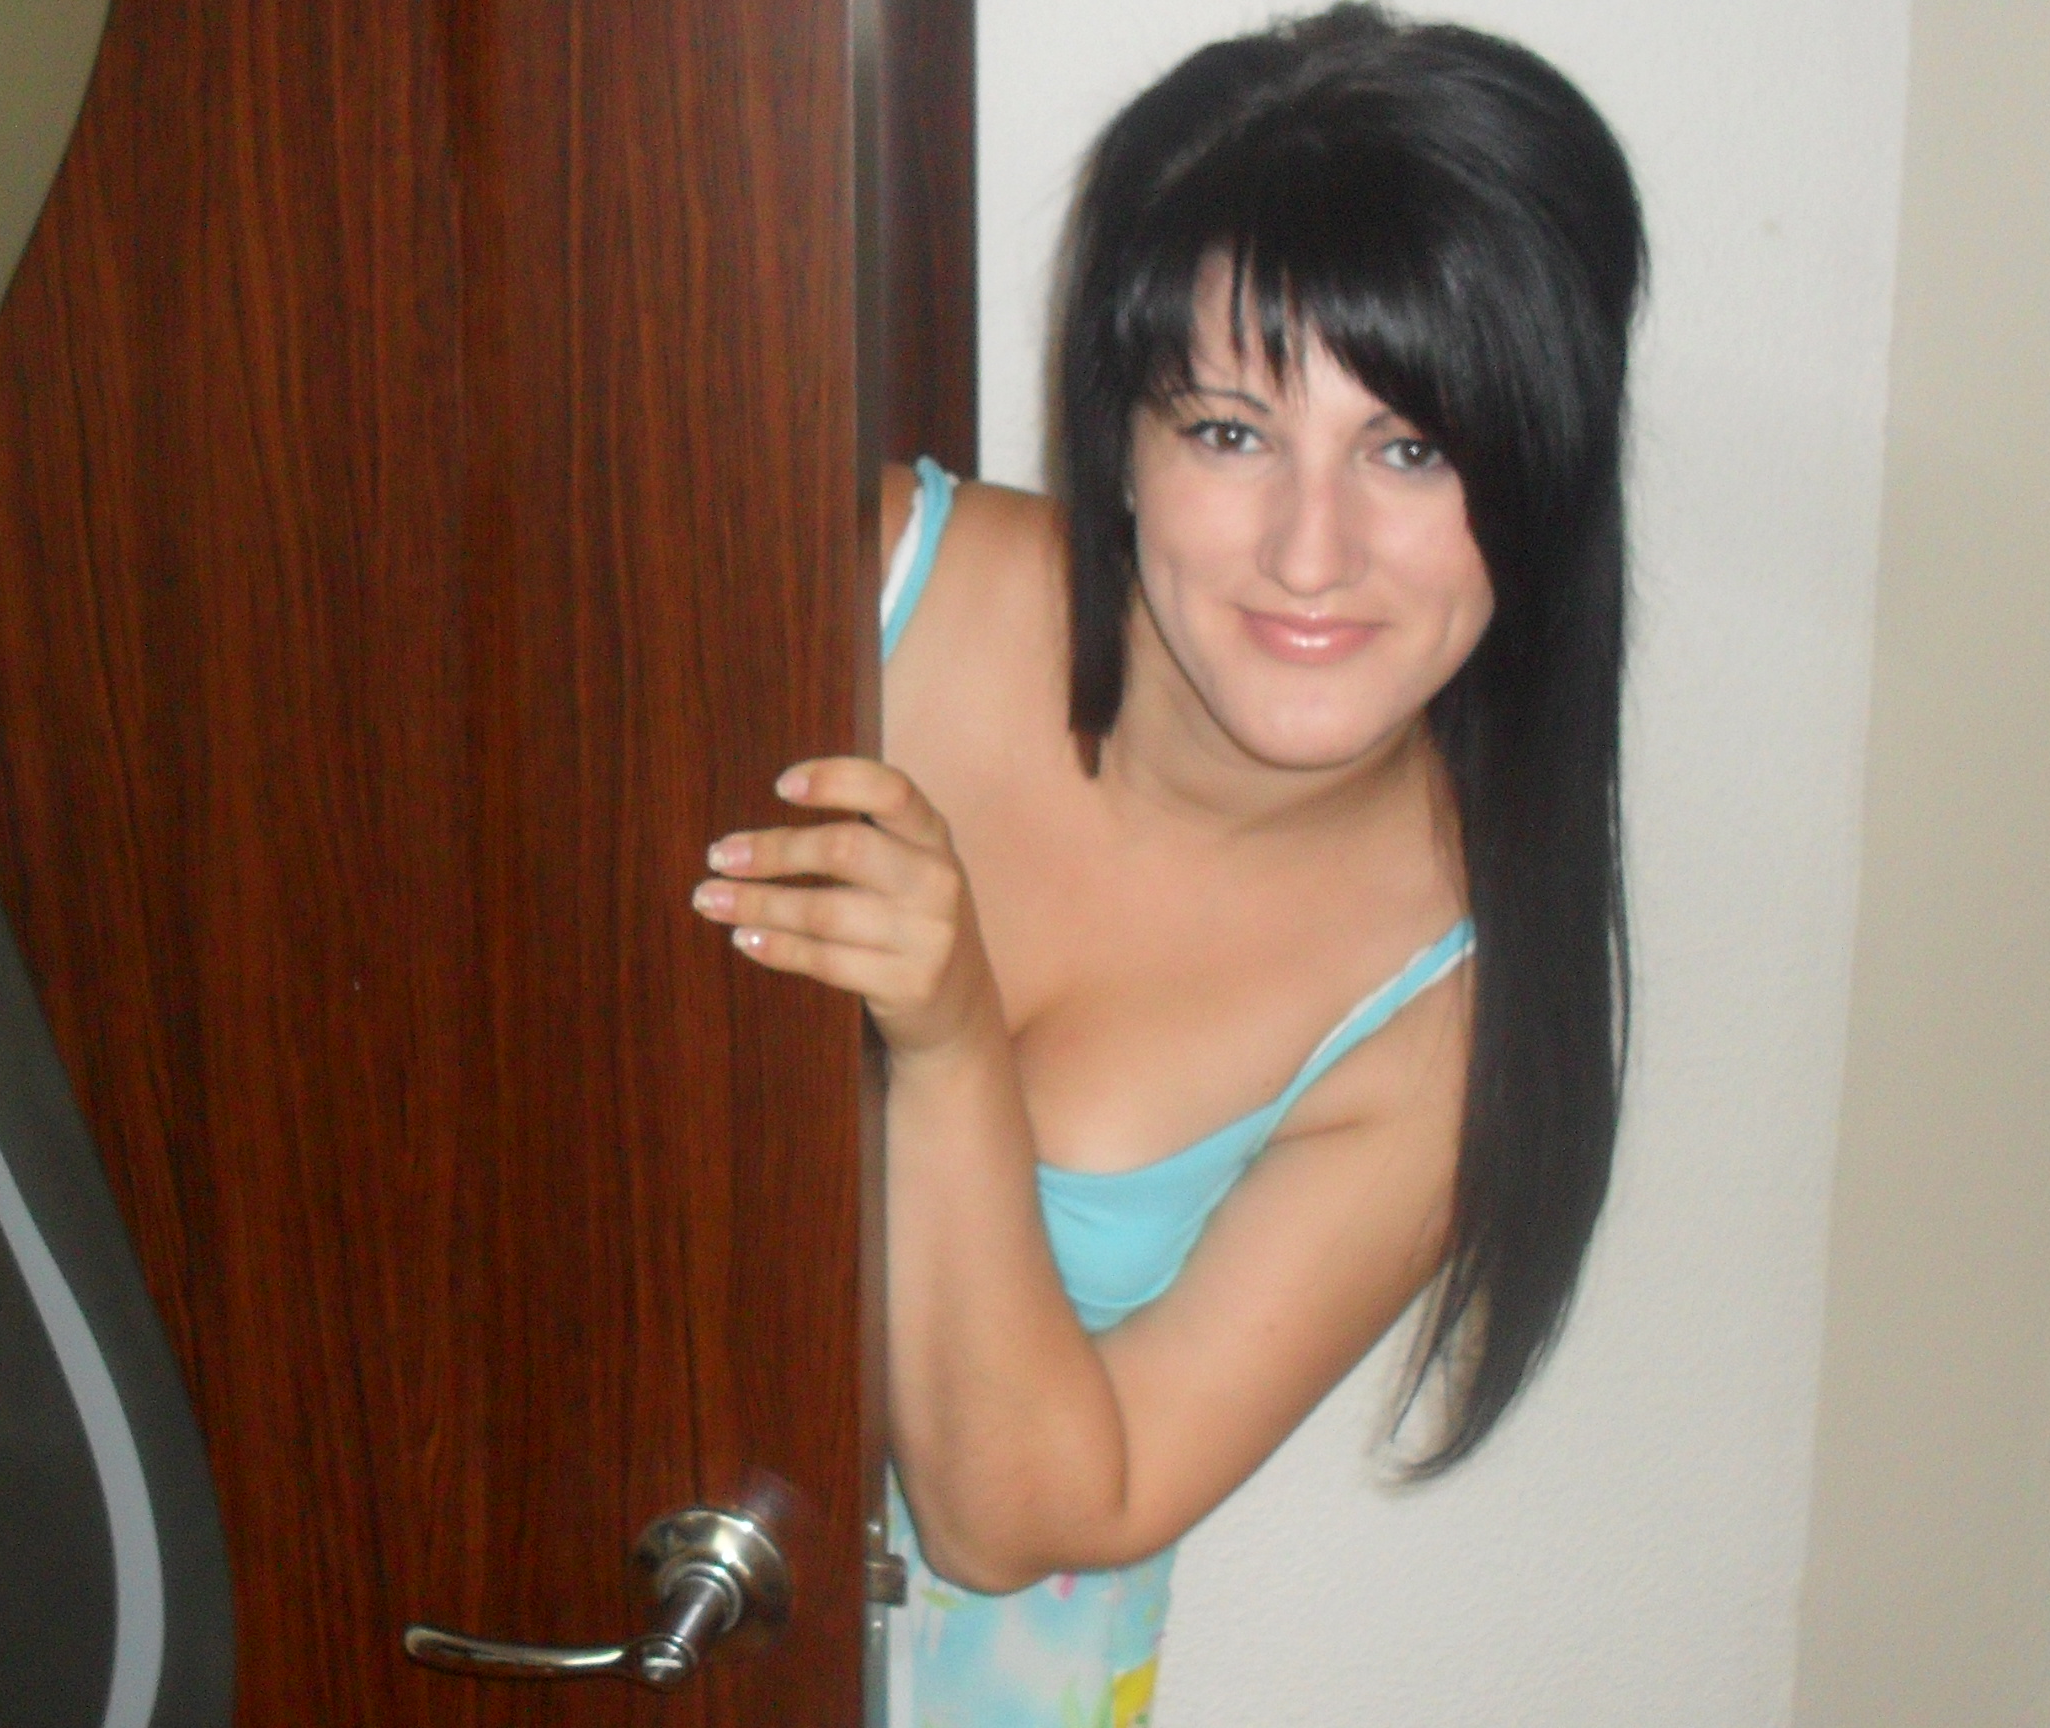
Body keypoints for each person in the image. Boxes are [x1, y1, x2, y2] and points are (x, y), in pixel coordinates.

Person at [691, 6, 1644, 1722]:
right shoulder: (844, 589)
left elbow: (1027, 1517)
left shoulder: (1449, 1009)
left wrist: (952, 1045)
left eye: (1410, 449)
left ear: (1547, 474)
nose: (1311, 552)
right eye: (1227, 431)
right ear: (1119, 437)